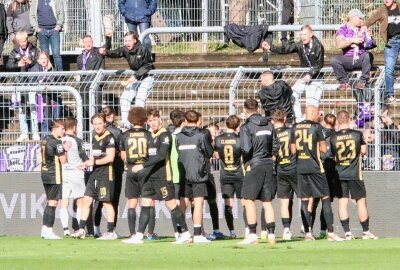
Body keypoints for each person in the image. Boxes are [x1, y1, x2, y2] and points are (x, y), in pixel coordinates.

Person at [122, 108, 192, 244]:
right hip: (149, 176)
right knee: (145, 203)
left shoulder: (165, 135)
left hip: (163, 177)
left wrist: (142, 166)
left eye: (155, 120)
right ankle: (139, 235)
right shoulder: (149, 135)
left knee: (171, 204)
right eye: (150, 120)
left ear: (160, 119)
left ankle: (185, 233)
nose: (152, 123)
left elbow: (161, 156)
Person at [290, 105, 343, 241]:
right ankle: (330, 233)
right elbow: (324, 149)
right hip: (316, 168)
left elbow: (293, 150)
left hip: (301, 168)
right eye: (317, 114)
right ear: (312, 113)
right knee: (325, 198)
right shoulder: (316, 127)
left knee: (305, 200)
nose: (319, 116)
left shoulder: (295, 127)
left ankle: (308, 233)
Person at [329, 110, 378, 240]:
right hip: (355, 173)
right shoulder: (357, 134)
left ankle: (347, 233)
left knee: (342, 203)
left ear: (338, 121)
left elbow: (332, 155)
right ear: (349, 119)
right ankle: (366, 232)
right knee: (361, 202)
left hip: (339, 173)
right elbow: (364, 151)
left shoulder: (333, 137)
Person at [72, 113, 117, 240]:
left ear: (104, 123)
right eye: (95, 124)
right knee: (87, 200)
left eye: (99, 123)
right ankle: (81, 230)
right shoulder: (94, 137)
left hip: (105, 174)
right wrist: (86, 164)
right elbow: (93, 156)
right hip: (94, 174)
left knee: (107, 203)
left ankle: (110, 232)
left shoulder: (109, 137)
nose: (97, 126)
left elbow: (110, 158)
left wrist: (94, 162)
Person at [238, 98, 276, 245]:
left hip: (254, 164)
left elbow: (246, 148)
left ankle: (252, 233)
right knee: (267, 202)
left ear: (245, 109)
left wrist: (246, 160)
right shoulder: (269, 123)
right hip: (268, 163)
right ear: (258, 108)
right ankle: (271, 234)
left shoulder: (246, 126)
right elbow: (275, 144)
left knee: (248, 200)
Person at [270, 25, 325, 123]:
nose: (303, 37)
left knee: (311, 104)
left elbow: (319, 64)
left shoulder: (318, 46)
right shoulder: (300, 45)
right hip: (304, 78)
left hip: (316, 78)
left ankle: (312, 124)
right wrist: (271, 47)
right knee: (292, 94)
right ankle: (299, 120)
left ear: (311, 34)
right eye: (301, 35)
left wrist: (310, 74)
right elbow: (286, 49)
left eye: (305, 34)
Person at [100, 31, 154, 128]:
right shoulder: (126, 49)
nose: (127, 43)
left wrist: (135, 76)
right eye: (125, 41)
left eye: (129, 41)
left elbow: (148, 65)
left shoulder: (143, 49)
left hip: (147, 76)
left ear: (135, 40)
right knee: (124, 98)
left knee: (139, 100)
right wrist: (106, 51)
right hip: (136, 77)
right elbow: (115, 53)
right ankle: (126, 124)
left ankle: (140, 124)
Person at [176, 110, 214, 243]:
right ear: (198, 120)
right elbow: (209, 152)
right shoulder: (201, 135)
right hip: (199, 173)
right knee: (198, 204)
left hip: (184, 173)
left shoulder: (179, 136)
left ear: (185, 121)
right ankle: (197, 234)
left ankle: (180, 232)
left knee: (183, 203)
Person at [92, 107, 124, 238]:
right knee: (112, 200)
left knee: (98, 201)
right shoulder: (117, 132)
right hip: (114, 169)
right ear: (113, 116)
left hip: (98, 170)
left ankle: (96, 228)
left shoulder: (95, 134)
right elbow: (122, 152)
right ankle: (112, 230)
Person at [214, 115, 245, 239]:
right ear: (237, 126)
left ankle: (232, 231)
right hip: (238, 173)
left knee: (228, 204)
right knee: (245, 203)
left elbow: (216, 155)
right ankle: (249, 230)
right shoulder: (240, 139)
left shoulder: (218, 139)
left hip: (225, 174)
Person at [6, 30, 40, 142]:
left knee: (33, 107)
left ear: (27, 39)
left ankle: (35, 132)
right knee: (21, 109)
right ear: (18, 42)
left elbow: (40, 63)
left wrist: (31, 62)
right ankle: (24, 133)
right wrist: (17, 64)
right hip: (20, 83)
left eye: (24, 40)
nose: (23, 43)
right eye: (20, 41)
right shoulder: (14, 51)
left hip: (32, 82)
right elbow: (8, 66)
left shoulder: (34, 50)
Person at [40, 119, 71, 239]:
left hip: (45, 172)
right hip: (54, 174)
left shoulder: (45, 139)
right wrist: (65, 149)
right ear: (55, 128)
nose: (64, 131)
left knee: (49, 202)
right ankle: (49, 231)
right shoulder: (57, 142)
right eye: (62, 128)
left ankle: (44, 230)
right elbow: (63, 160)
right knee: (53, 203)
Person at [331, 9, 375, 91]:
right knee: (334, 60)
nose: (362, 20)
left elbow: (371, 45)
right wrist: (352, 40)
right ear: (353, 18)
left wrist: (369, 37)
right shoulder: (343, 30)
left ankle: (362, 81)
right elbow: (339, 45)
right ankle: (344, 82)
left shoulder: (363, 29)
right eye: (360, 18)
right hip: (348, 58)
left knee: (368, 55)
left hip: (361, 57)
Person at [365, 0, 400, 103]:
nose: (386, 0)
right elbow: (370, 21)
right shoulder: (382, 10)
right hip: (391, 42)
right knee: (389, 69)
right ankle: (389, 94)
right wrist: (362, 27)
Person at [77, 34, 112, 132]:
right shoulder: (80, 57)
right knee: (84, 109)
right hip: (84, 86)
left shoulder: (98, 52)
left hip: (95, 85)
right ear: (83, 44)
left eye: (90, 41)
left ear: (92, 42)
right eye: (86, 42)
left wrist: (108, 38)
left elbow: (107, 47)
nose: (88, 43)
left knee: (96, 108)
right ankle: (86, 133)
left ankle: (98, 131)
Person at [271, 109, 297, 241]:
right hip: (294, 167)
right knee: (305, 198)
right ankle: (307, 228)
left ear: (272, 121)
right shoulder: (291, 131)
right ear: (285, 119)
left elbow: (272, 155)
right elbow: (294, 149)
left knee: (284, 202)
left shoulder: (271, 134)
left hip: (280, 169)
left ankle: (286, 230)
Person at [59, 118, 88, 237]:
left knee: (64, 201)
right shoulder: (78, 141)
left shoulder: (59, 140)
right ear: (75, 127)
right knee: (80, 201)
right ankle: (81, 228)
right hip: (76, 172)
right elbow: (84, 156)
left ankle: (65, 229)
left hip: (64, 172)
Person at [29, 0, 64, 71]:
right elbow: (32, 15)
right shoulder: (35, 1)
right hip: (42, 31)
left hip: (54, 30)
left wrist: (59, 25)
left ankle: (60, 77)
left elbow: (61, 12)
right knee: (44, 55)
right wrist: (37, 28)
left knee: (56, 54)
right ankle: (46, 76)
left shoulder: (56, 1)